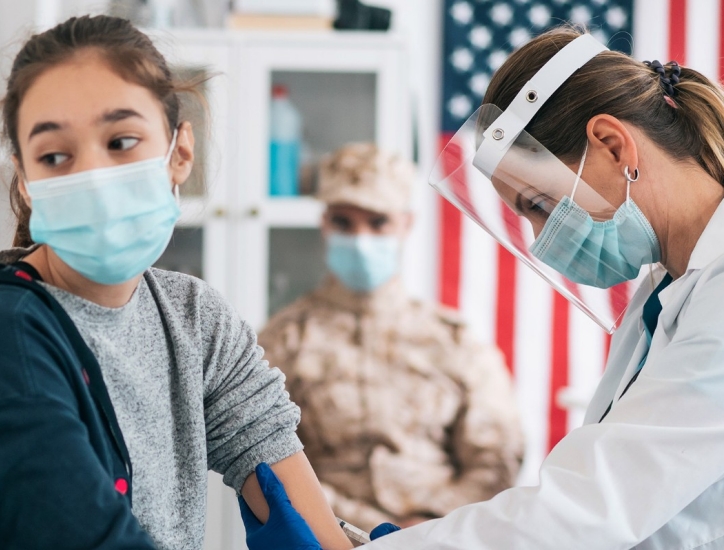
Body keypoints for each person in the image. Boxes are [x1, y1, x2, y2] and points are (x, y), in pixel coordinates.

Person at [0, 15, 353, 550]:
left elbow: (298, 506)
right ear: (27, 183)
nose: (92, 176)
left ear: (180, 153)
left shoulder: (193, 319)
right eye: (55, 156)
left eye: (121, 141)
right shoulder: (0, 337)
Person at [250, 26, 724, 549]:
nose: (544, 239)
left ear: (613, 145)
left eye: (540, 205)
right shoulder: (667, 289)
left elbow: (590, 506)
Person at [257, 143, 524, 530]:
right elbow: (267, 456)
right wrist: (361, 527)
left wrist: (431, 522)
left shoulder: (455, 341)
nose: (361, 238)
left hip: (443, 536)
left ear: (405, 223)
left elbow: (497, 454)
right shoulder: (283, 339)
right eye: (344, 222)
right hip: (327, 534)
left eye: (378, 222)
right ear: (325, 223)